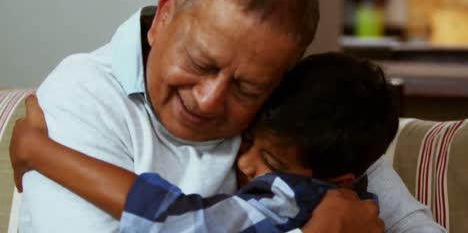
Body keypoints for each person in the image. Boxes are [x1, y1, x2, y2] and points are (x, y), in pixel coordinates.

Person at [14, 0, 444, 232]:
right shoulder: (82, 97)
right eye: (199, 62)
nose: (208, 100)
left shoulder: (292, 118)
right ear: (163, 18)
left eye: (246, 89)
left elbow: (410, 225)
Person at [12, 53, 394, 232]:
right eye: (247, 142)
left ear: (341, 180)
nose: (244, 164)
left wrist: (41, 152)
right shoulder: (342, 195)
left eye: (272, 164)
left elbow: (173, 218)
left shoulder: (291, 200)